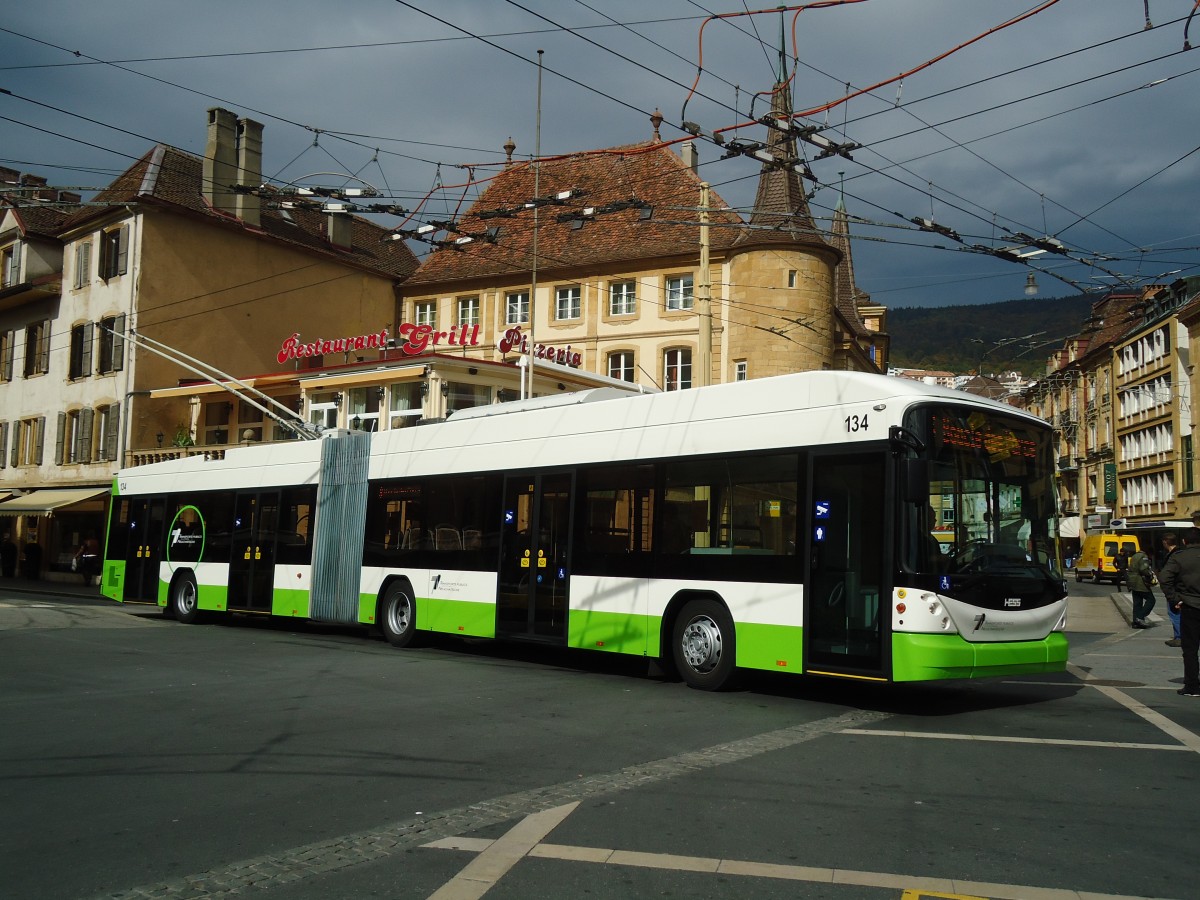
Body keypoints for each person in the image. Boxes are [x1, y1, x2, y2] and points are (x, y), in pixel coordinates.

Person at [1156, 527, 1200, 697]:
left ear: (1184, 541)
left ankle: (1192, 686)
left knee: (1190, 649)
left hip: (1190, 606)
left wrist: (1175, 598)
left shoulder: (1179, 557)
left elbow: (1164, 578)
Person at [1126, 543, 1156, 629]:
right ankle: (1140, 617)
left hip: (1132, 581)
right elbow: (1144, 569)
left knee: (1137, 603)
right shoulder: (1143, 557)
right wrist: (1150, 575)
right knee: (1151, 600)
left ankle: (1135, 622)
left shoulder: (1134, 556)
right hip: (1140, 582)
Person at [1161, 532, 1182, 648]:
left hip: (1174, 589)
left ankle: (1179, 637)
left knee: (1174, 613)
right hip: (1180, 588)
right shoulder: (1180, 553)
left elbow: (1166, 576)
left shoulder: (1173, 556)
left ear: (1165, 542)